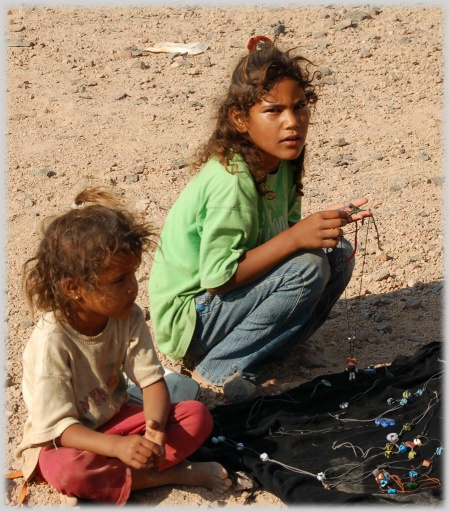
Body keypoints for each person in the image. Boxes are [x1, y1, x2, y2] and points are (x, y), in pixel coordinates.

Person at [148, 36, 372, 393]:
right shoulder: (231, 180)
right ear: (240, 119)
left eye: (299, 107)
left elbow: (284, 233)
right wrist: (297, 237)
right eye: (273, 111)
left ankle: (269, 351)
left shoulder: (284, 160)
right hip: (192, 321)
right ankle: (218, 367)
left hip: (226, 306)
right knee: (308, 267)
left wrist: (321, 225)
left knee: (337, 252)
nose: (292, 122)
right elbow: (218, 278)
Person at [14, 187, 231, 505]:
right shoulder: (52, 340)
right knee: (68, 471)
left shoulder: (126, 315)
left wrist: (155, 429)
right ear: (73, 287)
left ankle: (109, 482)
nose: (133, 288)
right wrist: (118, 448)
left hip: (115, 419)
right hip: (66, 440)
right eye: (119, 280)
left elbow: (151, 381)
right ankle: (168, 475)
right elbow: (58, 429)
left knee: (196, 416)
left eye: (132, 275)